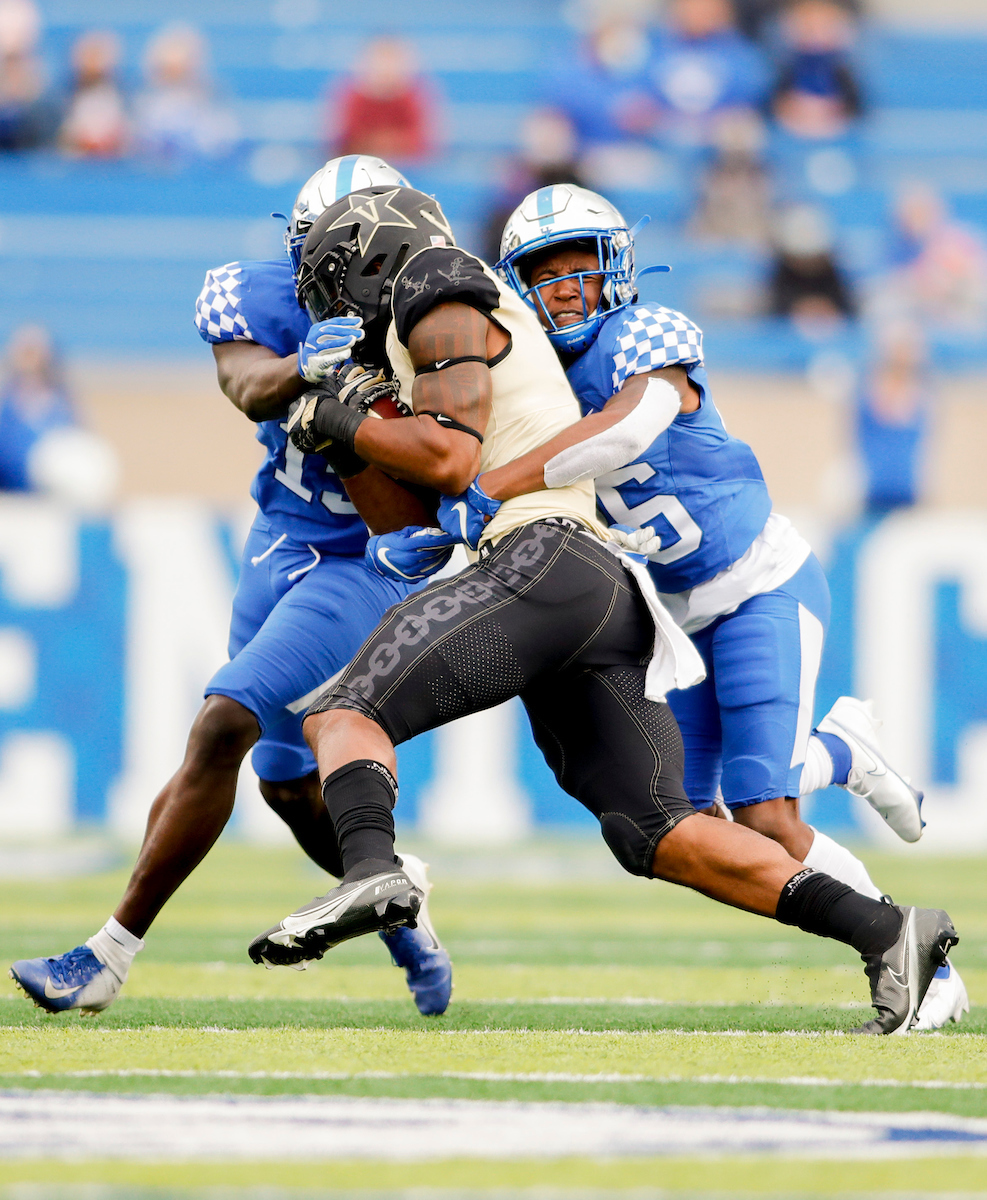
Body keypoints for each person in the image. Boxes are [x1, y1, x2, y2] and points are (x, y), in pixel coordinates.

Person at [246, 183, 957, 1036]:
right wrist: (343, 422)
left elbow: (466, 456)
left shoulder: (445, 282)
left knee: (342, 710)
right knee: (659, 831)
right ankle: (890, 933)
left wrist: (356, 424)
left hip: (652, 568)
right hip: (629, 599)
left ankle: (371, 868)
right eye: (544, 273)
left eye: (333, 279)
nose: (330, 303)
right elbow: (416, 508)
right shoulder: (489, 345)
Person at [8, 157, 453, 1020]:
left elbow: (447, 459)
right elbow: (247, 386)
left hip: (374, 558)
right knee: (285, 786)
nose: (369, 274)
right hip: (281, 540)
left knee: (223, 720)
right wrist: (304, 368)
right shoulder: (257, 298)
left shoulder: (434, 326)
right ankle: (398, 907)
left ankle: (106, 956)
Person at [328, 35, 437, 164]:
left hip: (406, 166)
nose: (386, 68)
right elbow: (344, 137)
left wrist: (392, 145)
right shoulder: (354, 99)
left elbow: (422, 139)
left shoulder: (413, 98)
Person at [58, 29, 128, 158]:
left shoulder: (120, 97)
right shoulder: (66, 97)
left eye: (98, 56)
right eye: (89, 56)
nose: (93, 63)